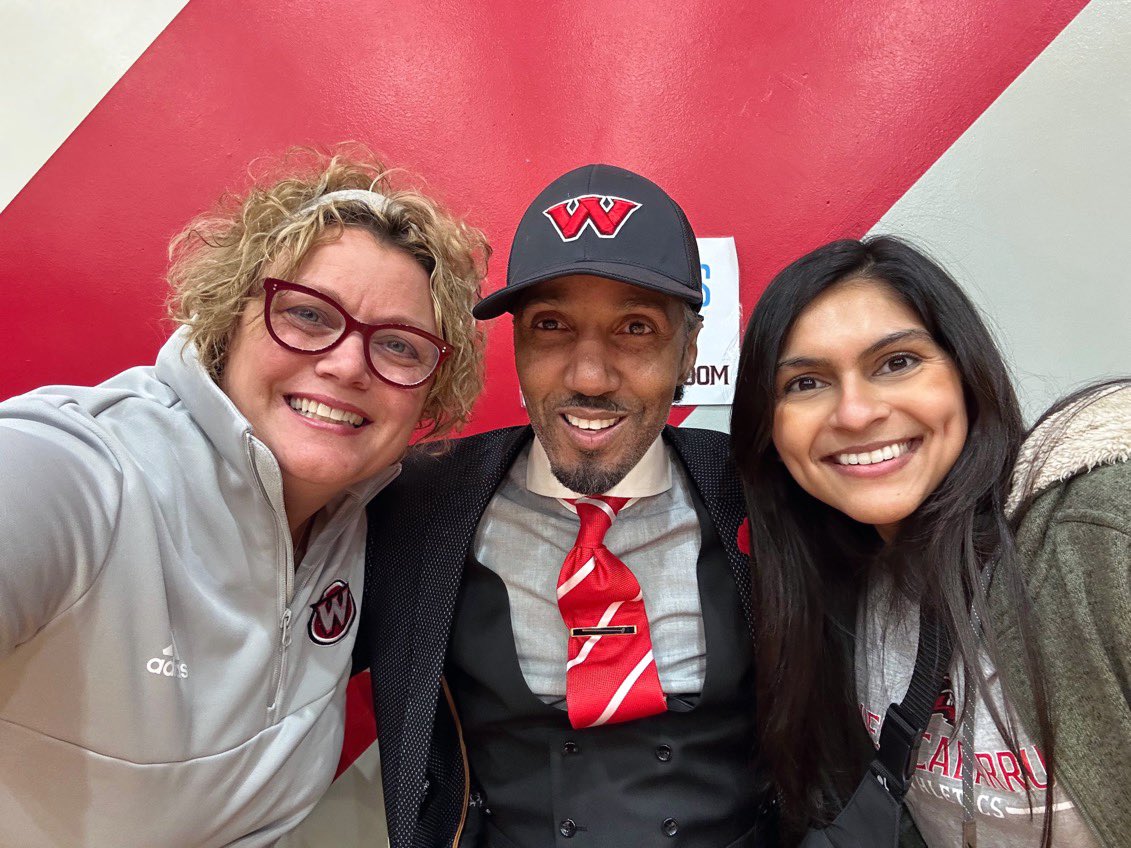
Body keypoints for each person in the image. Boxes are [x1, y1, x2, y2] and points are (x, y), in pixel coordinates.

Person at [0, 147, 487, 847]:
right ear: (231, 320)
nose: (348, 363)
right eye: (309, 315)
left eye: (401, 347)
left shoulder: (375, 522)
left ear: (429, 395)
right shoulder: (89, 473)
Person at [357, 164, 777, 847]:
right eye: (551, 325)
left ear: (688, 351)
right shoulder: (414, 504)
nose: (588, 376)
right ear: (517, 341)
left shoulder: (762, 493)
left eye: (635, 328)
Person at [730, 235, 1129, 848]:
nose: (856, 413)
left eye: (897, 363)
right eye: (806, 383)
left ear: (965, 377)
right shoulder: (842, 588)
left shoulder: (1092, 534)